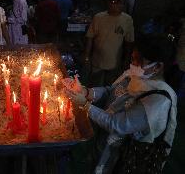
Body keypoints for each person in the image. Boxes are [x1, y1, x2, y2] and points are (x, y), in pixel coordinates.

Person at [64, 34, 177, 174]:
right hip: (104, 140)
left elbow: (117, 125)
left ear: (157, 67)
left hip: (122, 155)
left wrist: (85, 105)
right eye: (132, 58)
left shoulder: (157, 101)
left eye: (138, 60)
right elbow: (111, 91)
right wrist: (86, 92)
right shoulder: (135, 75)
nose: (133, 64)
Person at [85, 0, 134, 87]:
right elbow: (90, 37)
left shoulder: (127, 20)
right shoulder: (99, 17)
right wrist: (86, 57)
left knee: (110, 89)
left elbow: (129, 42)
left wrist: (127, 60)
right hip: (97, 63)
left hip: (115, 65)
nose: (117, 4)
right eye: (114, 1)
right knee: (95, 88)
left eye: (120, 2)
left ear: (124, 4)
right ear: (108, 2)